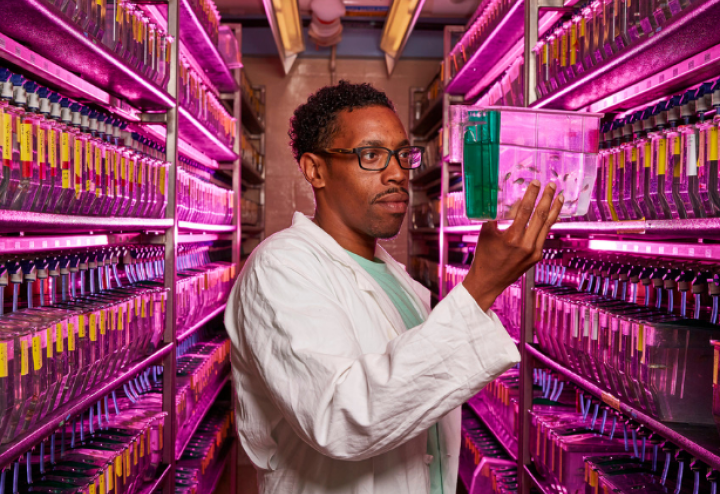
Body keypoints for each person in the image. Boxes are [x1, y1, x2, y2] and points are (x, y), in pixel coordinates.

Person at [224, 80, 563, 494]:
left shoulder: (391, 274)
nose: (399, 173)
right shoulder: (279, 268)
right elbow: (341, 416)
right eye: (371, 155)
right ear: (315, 170)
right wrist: (480, 289)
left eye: (404, 155)